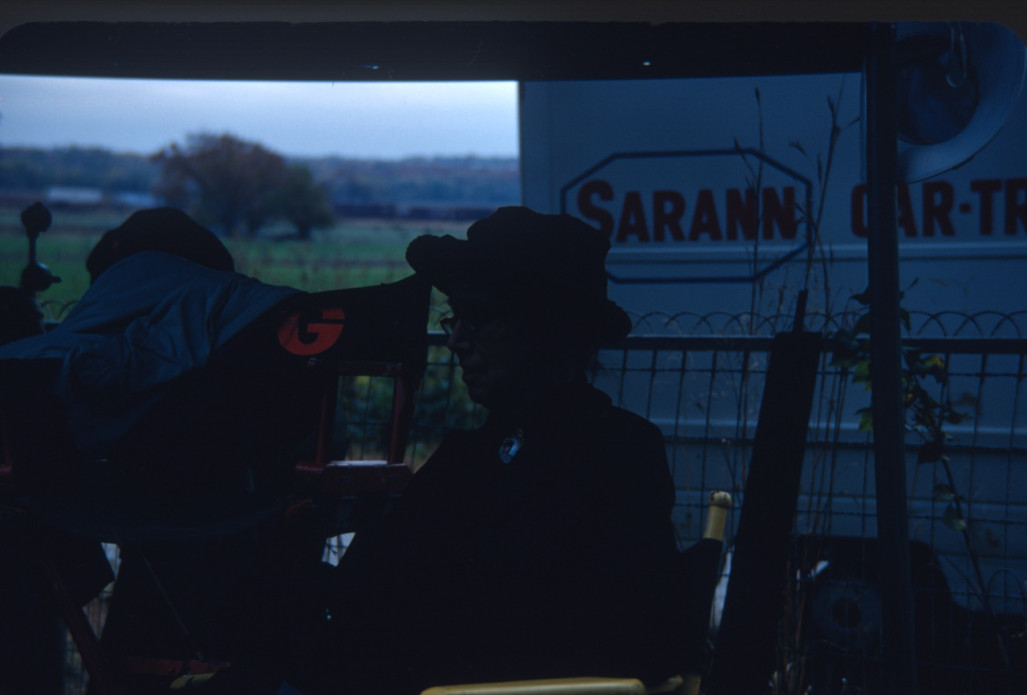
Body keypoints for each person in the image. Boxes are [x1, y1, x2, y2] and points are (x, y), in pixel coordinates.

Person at [285, 207, 681, 695]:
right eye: (454, 317)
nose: (454, 340)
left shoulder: (617, 456)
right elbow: (366, 580)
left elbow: (622, 636)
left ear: (551, 330)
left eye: (478, 318)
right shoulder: (472, 454)